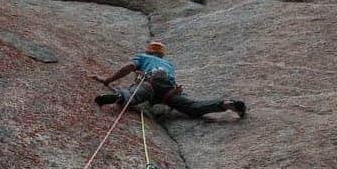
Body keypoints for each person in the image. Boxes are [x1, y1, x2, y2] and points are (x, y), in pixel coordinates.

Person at [93, 40, 246, 119]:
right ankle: (226, 104)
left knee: (134, 94)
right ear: (162, 55)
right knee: (192, 107)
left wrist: (107, 80)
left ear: (148, 51)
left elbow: (128, 67)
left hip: (150, 83)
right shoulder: (168, 64)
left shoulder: (143, 56)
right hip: (170, 90)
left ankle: (119, 97)